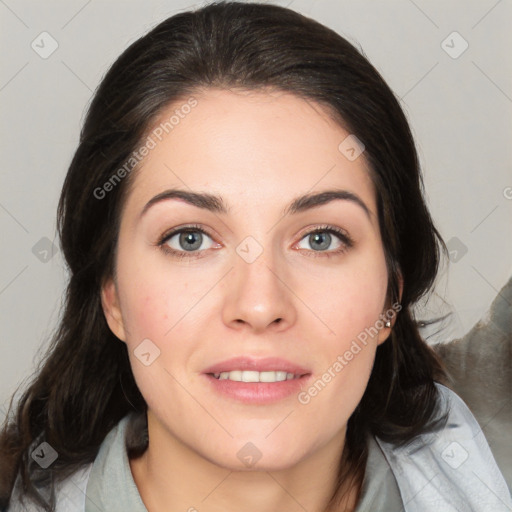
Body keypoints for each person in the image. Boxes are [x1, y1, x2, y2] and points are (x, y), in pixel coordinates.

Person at [1, 1, 510, 511]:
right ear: (111, 295)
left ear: (388, 298)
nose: (260, 304)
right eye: (190, 239)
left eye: (320, 239)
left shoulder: (488, 444)